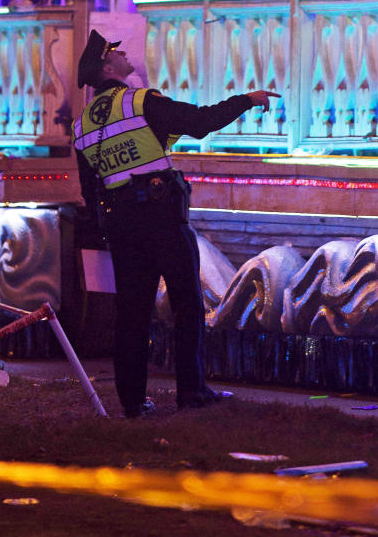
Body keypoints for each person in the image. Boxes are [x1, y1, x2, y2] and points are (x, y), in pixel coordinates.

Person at [73, 30, 279, 417]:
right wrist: (247, 100)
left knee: (131, 314)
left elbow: (90, 190)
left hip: (121, 224)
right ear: (107, 66)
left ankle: (132, 401)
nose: (124, 53)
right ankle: (192, 392)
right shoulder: (139, 101)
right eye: (116, 51)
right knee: (187, 305)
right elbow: (199, 122)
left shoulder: (82, 124)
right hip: (161, 216)